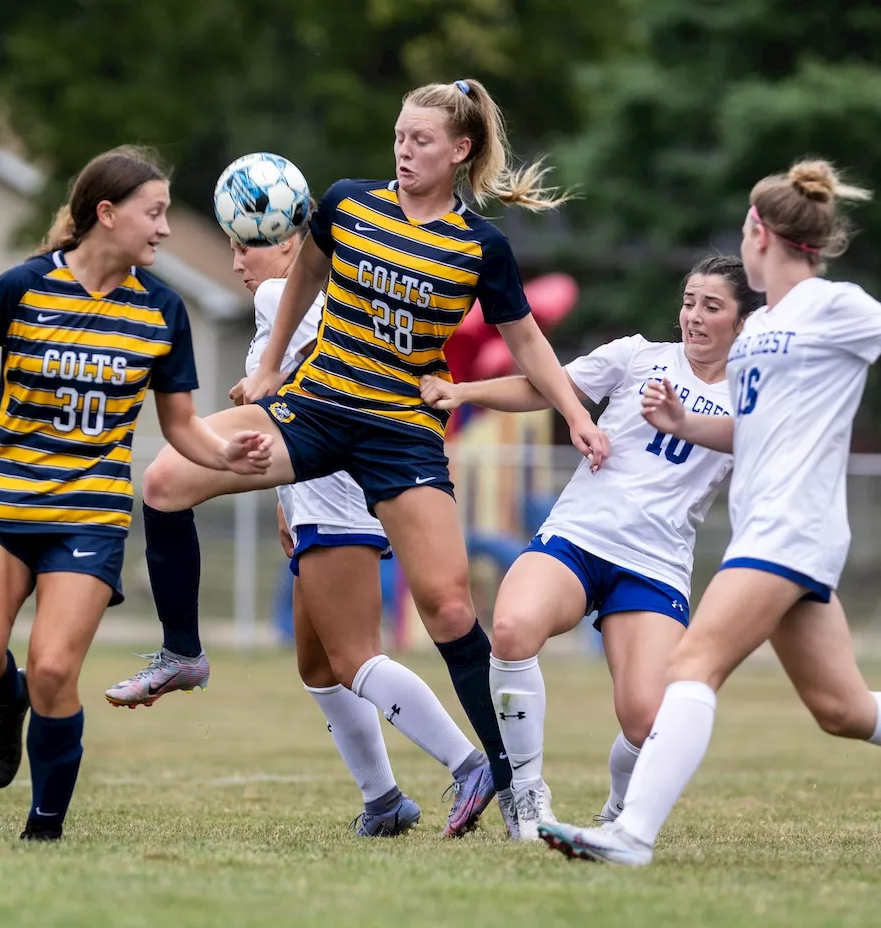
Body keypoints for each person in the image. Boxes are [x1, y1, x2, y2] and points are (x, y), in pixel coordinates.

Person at [114, 79, 610, 838]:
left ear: (460, 150)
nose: (404, 152)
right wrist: (274, 364)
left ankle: (511, 784)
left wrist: (575, 413)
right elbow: (303, 277)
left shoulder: (481, 246)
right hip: (313, 410)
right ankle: (183, 651)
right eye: (399, 137)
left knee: (448, 608)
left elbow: (528, 343)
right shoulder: (349, 202)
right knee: (165, 479)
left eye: (420, 141)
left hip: (398, 434)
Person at [0, 146, 271, 841]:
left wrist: (226, 456)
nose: (165, 228)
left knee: (51, 666)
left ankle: (43, 829)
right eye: (153, 213)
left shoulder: (162, 310)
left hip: (88, 518)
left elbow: (183, 428)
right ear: (106, 214)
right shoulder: (23, 286)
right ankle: (5, 704)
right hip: (1, 508)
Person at [538, 160, 881, 866]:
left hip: (794, 527)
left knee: (692, 664)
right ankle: (627, 832)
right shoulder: (757, 332)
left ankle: (630, 836)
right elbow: (751, 429)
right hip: (768, 530)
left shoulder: (838, 307)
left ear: (760, 233)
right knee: (842, 711)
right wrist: (687, 425)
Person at [420, 254, 761, 840]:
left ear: (743, 321)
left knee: (646, 718)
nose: (694, 316)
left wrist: (685, 421)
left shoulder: (751, 397)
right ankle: (527, 796)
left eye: (712, 306)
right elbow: (545, 386)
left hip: (655, 566)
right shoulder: (637, 355)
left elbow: (762, 439)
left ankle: (619, 815)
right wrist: (463, 389)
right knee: (510, 627)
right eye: (688, 301)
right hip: (579, 537)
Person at [127, 216, 422, 835]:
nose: (238, 261)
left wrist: (271, 387)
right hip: (318, 500)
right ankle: (385, 802)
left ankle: (476, 766)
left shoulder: (279, 295)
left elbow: (328, 386)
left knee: (356, 661)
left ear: (295, 243)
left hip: (340, 500)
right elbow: (301, 406)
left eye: (249, 245)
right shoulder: (313, 299)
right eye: (231, 247)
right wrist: (285, 502)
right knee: (318, 669)